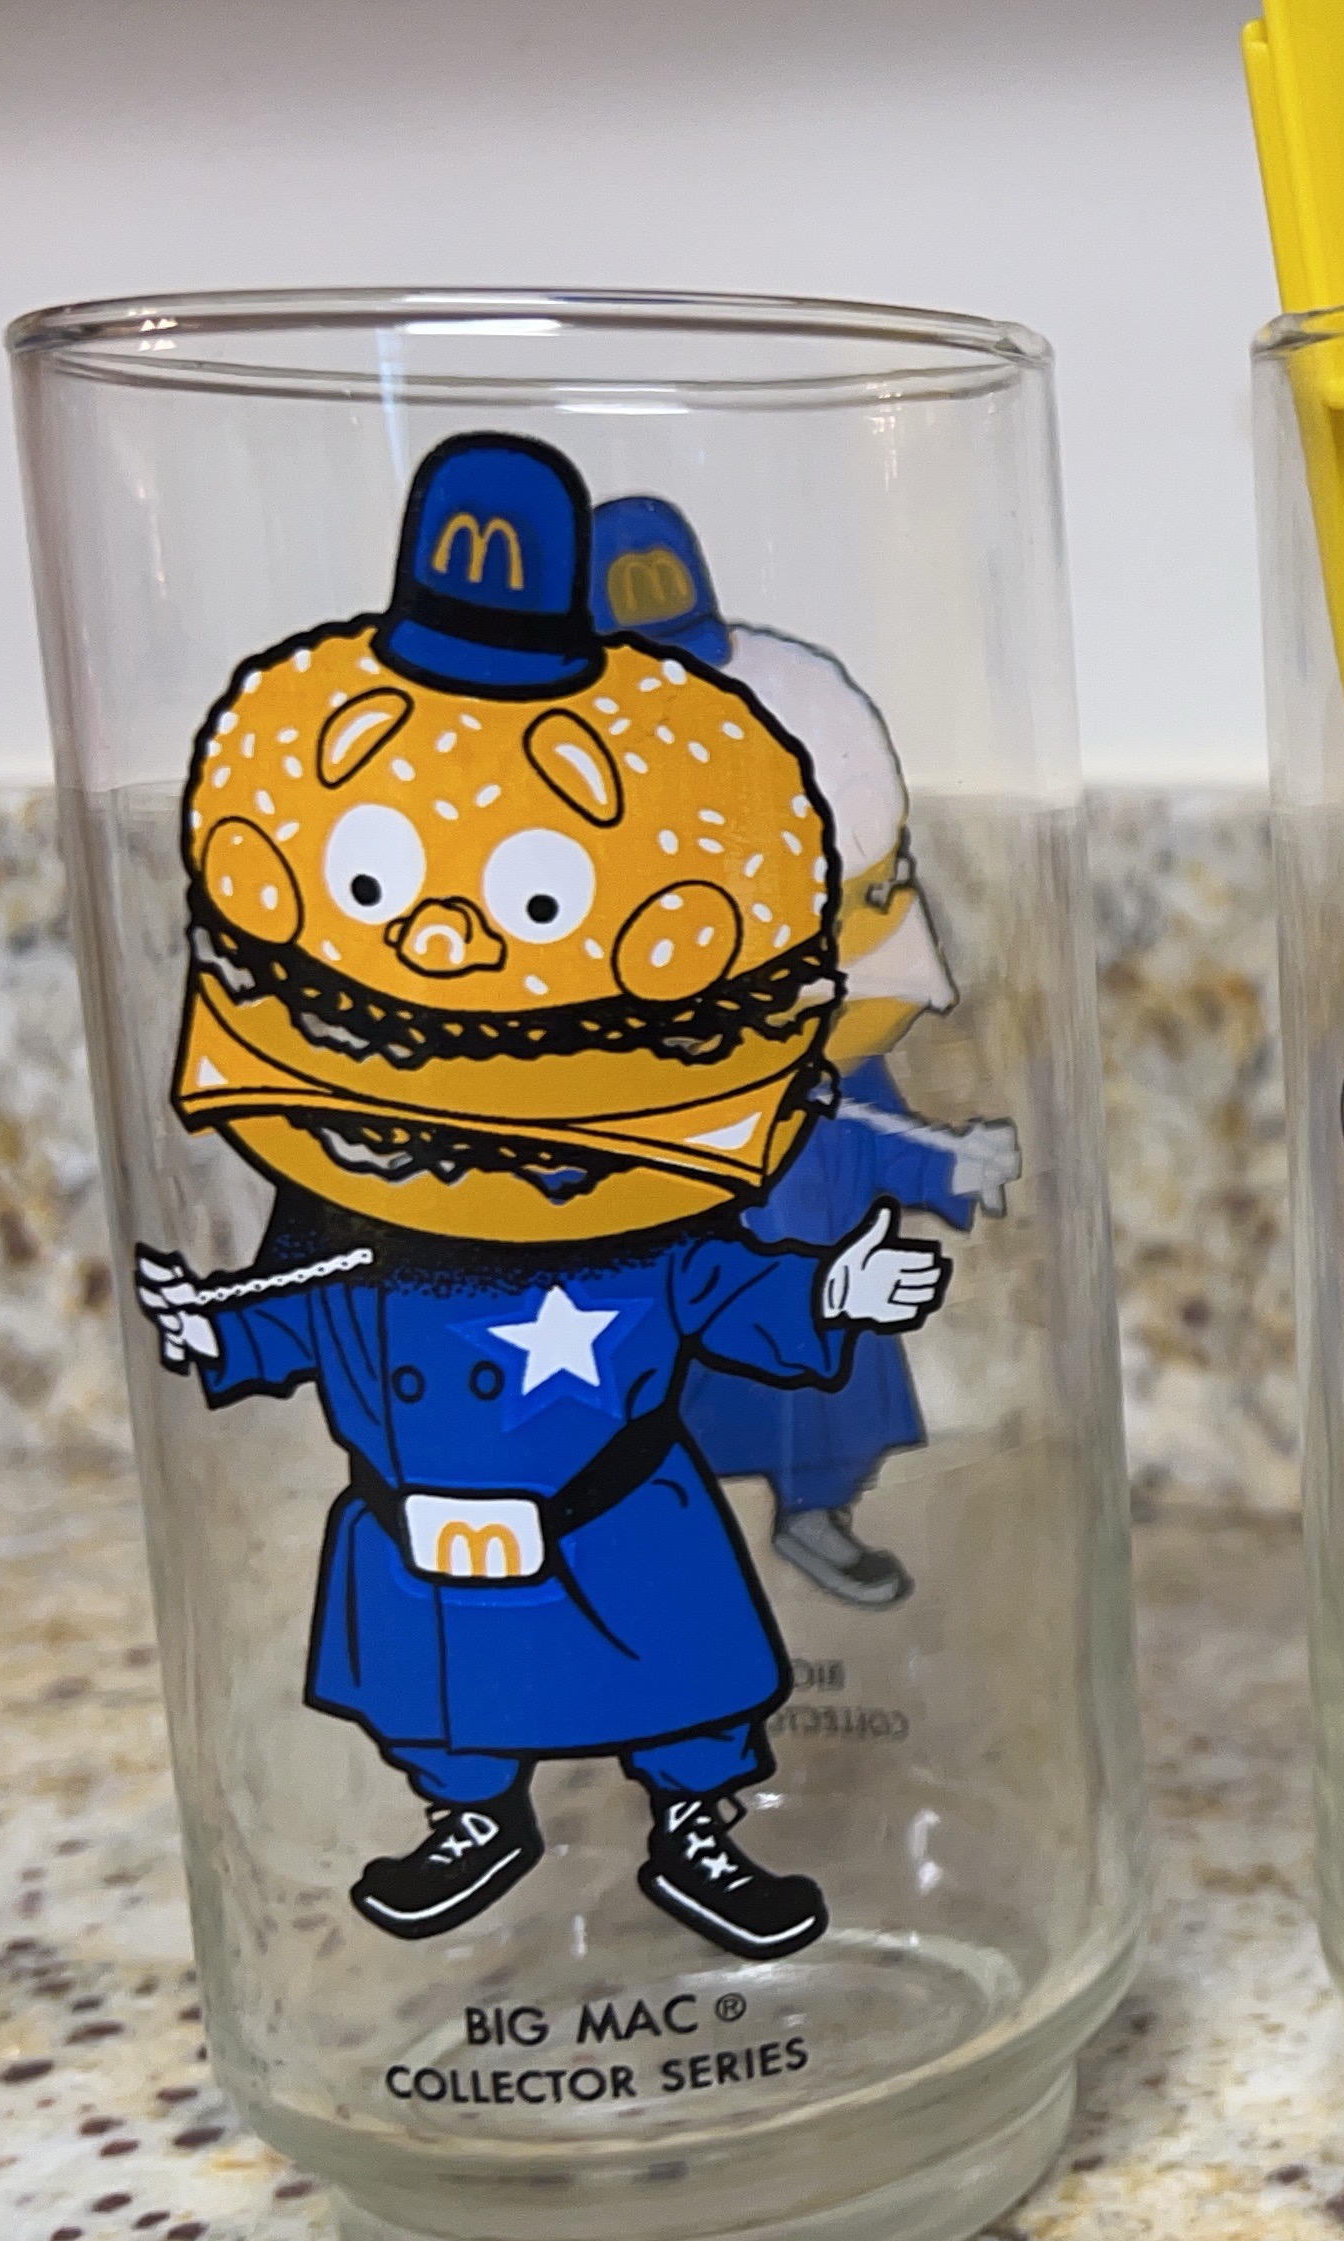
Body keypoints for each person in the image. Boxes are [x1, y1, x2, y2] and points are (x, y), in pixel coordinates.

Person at [135, 434, 953, 1956]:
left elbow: (713, 1286)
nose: (442, 946)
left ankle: (699, 1831)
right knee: (438, 1697)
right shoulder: (344, 1221)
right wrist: (211, 1329)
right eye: (378, 894)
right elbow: (298, 1315)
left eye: (526, 903)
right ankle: (472, 1819)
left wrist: (832, 1291)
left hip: (615, 1505)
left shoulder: (649, 1195)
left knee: (684, 1677)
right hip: (421, 1525)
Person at [591, 496, 1020, 1607]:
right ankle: (650, 1541)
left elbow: (870, 1137)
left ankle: (815, 1511)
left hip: (815, 1271)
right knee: (642, 1388)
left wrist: (956, 1165)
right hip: (659, 1266)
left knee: (828, 1380)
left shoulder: (832, 1060)